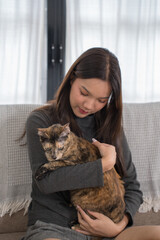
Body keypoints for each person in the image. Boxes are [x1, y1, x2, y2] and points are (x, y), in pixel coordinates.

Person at [22, 47, 160, 240]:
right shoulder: (42, 121)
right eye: (84, 93)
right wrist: (104, 165)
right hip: (55, 228)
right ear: (72, 80)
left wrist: (117, 227)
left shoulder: (110, 125)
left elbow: (132, 187)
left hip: (107, 232)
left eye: (101, 100)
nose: (88, 105)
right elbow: (46, 180)